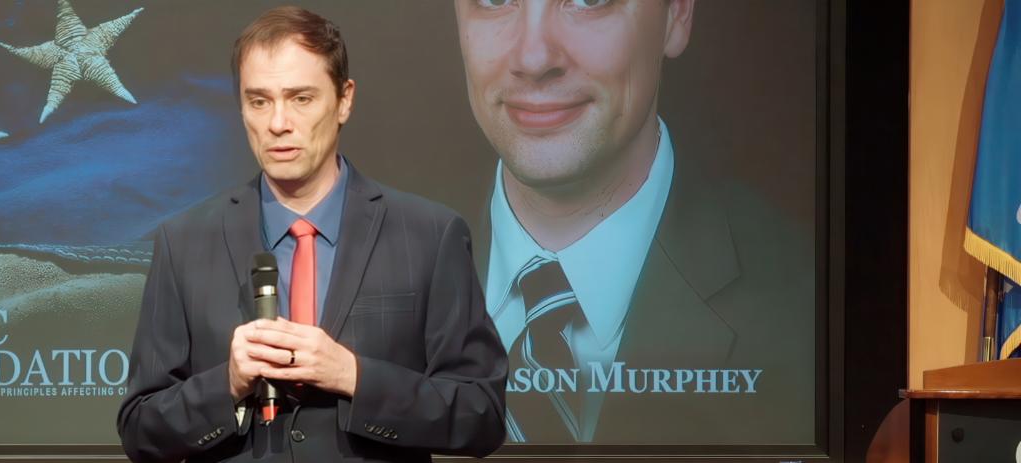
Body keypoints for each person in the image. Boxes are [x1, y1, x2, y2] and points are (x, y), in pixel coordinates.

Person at [117, 6, 507, 462]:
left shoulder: (429, 236)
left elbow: (481, 416)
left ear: (344, 100)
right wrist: (228, 383)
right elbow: (140, 430)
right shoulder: (184, 242)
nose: (278, 123)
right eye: (259, 101)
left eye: (301, 98)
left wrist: (354, 376)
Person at [455, 0, 810, 444]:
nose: (534, 58)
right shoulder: (383, 276)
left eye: (588, 1)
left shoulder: (811, 313)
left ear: (677, 14)